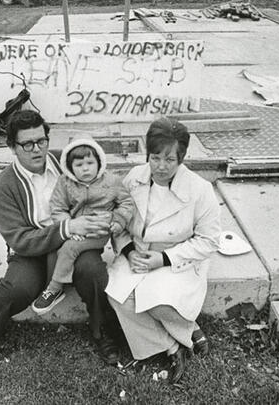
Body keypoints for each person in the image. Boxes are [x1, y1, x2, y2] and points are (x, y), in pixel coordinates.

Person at [0, 110, 122, 366]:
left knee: (93, 271)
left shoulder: (64, 163)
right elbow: (20, 239)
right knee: (17, 288)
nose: (37, 150)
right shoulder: (5, 184)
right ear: (12, 147)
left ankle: (102, 330)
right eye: (27, 144)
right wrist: (66, 227)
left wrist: (107, 220)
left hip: (75, 242)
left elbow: (100, 186)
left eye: (42, 141)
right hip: (33, 249)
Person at [105, 117, 221, 384]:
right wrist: (128, 250)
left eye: (170, 160)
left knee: (156, 300)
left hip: (176, 259)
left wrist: (163, 258)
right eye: (155, 157)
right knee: (118, 296)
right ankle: (171, 346)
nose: (160, 166)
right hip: (138, 254)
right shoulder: (135, 177)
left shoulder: (200, 190)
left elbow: (209, 240)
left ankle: (187, 327)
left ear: (182, 157)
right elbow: (119, 219)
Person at [31, 138, 133, 315]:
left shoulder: (111, 181)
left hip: (100, 229)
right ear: (70, 167)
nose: (85, 168)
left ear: (99, 162)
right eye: (79, 165)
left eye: (90, 163)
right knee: (61, 245)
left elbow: (126, 202)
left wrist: (118, 221)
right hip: (77, 227)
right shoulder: (64, 182)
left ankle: (55, 288)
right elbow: (58, 207)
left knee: (69, 248)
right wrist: (69, 227)